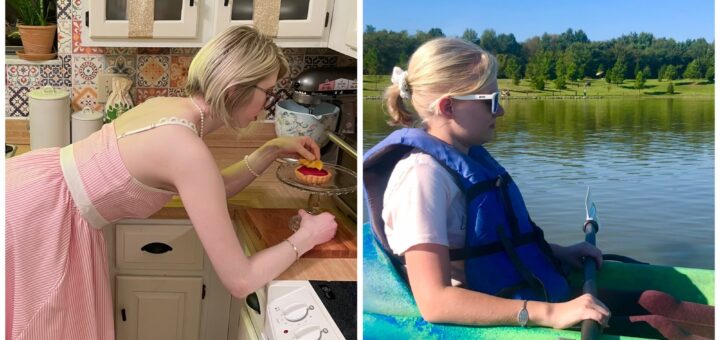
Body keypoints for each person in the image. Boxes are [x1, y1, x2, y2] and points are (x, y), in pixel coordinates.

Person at [363, 38, 713, 339]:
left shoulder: (467, 158)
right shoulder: (421, 179)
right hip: (497, 312)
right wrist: (552, 314)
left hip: (529, 290)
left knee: (658, 302)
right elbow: (435, 303)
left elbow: (492, 241)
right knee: (661, 326)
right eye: (491, 99)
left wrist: (558, 252)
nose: (501, 110)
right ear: (448, 106)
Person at [6, 25, 338, 340]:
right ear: (236, 90)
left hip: (34, 187)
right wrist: (308, 235)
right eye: (267, 93)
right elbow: (241, 280)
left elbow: (209, 192)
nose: (267, 106)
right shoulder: (187, 150)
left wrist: (270, 149)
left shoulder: (167, 107)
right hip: (42, 220)